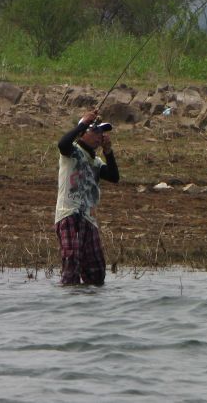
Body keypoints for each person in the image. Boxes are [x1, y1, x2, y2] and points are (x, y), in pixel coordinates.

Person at [54, 109, 119, 285]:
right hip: (68, 214)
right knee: (72, 262)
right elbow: (62, 143)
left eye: (102, 132)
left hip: (88, 219)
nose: (100, 136)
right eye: (95, 131)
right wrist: (82, 124)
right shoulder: (71, 152)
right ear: (83, 133)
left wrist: (108, 151)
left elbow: (114, 177)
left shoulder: (96, 162)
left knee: (96, 270)